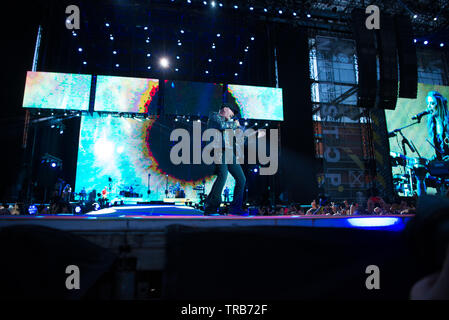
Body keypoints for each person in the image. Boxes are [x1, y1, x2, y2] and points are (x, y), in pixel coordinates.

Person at [203, 104, 247, 215]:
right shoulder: (214, 117)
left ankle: (235, 208)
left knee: (241, 179)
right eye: (231, 113)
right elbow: (221, 125)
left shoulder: (229, 124)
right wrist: (234, 124)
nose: (232, 116)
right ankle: (211, 207)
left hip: (228, 152)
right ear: (225, 109)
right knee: (223, 174)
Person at [426, 91, 449, 161]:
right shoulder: (433, 126)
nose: (429, 106)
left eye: (432, 103)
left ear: (440, 105)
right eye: (428, 103)